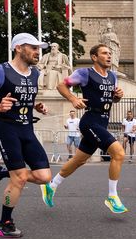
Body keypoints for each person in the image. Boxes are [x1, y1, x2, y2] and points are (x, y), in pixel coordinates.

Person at [0, 33, 53, 238]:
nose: (38, 52)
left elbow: (26, 100)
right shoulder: (0, 71)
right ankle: (4, 222)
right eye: (33, 48)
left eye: (39, 48)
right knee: (19, 178)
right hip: (7, 128)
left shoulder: (35, 74)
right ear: (18, 48)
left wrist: (37, 106)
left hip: (27, 129)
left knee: (44, 177)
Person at [49, 44, 128, 214]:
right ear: (94, 57)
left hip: (103, 121)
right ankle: (112, 197)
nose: (109, 56)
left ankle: (52, 186)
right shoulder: (85, 73)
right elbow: (61, 86)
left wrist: (117, 97)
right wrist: (73, 98)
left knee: (79, 160)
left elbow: (109, 100)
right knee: (119, 153)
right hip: (90, 121)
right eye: (105, 53)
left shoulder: (113, 76)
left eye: (110, 53)